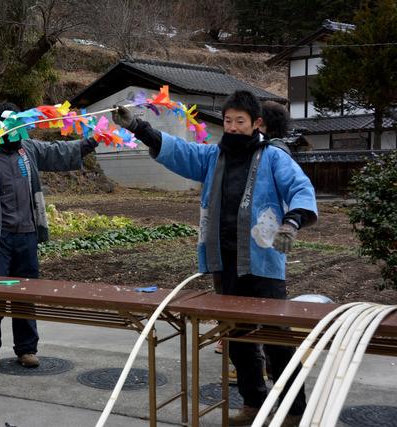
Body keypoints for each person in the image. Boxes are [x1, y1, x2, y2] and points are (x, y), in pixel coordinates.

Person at [113, 90, 317, 427]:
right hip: (225, 263)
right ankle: (253, 403)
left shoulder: (274, 157)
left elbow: (300, 188)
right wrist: (138, 126)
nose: (233, 127)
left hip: (263, 263)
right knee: (237, 338)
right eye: (228, 121)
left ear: (257, 124)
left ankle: (294, 412)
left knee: (277, 338)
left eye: (241, 121)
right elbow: (179, 152)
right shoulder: (213, 157)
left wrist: (292, 221)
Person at [0, 102, 99, 370]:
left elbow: (58, 152)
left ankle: (26, 349)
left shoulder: (27, 149)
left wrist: (93, 141)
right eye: (11, 125)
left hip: (27, 235)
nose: (17, 130)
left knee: (26, 294)